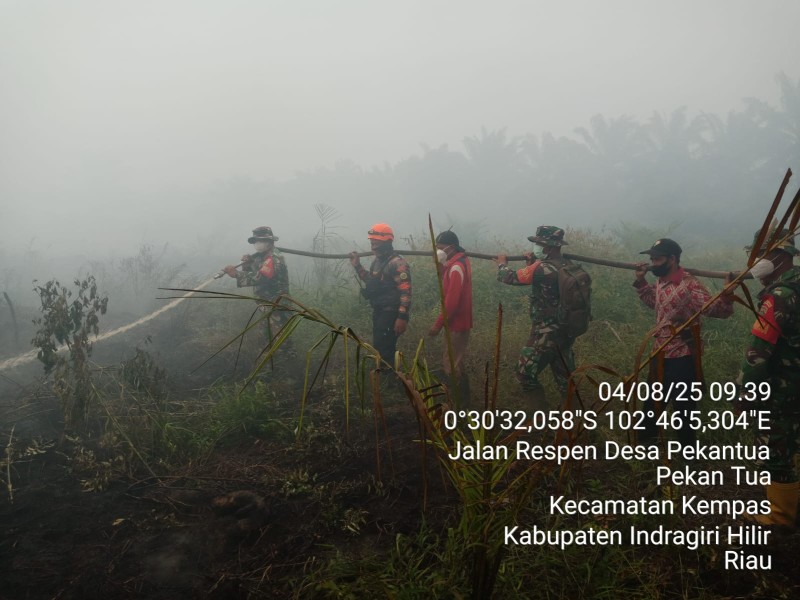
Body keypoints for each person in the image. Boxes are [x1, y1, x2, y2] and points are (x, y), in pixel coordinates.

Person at [633, 238, 733, 446]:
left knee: (684, 411)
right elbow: (655, 305)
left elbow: (719, 311)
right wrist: (642, 282)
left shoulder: (690, 285)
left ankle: (689, 460)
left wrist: (728, 293)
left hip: (683, 356)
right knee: (652, 405)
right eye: (651, 259)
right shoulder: (660, 281)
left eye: (657, 259)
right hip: (659, 352)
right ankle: (643, 452)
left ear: (673, 259)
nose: (653, 263)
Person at [738, 228, 800, 526]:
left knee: (776, 444)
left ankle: (782, 514)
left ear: (778, 256)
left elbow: (758, 353)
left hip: (783, 388)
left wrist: (744, 392)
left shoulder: (778, 296)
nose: (756, 262)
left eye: (760, 255)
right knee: (796, 442)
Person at [496, 225, 584, 408]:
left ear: (548, 247)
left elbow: (509, 277)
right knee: (565, 380)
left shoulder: (542, 269)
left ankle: (540, 419)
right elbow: (544, 285)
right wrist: (531, 263)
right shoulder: (566, 265)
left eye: (538, 244)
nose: (536, 247)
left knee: (524, 373)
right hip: (565, 331)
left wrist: (502, 263)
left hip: (545, 332)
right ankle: (578, 424)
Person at [349, 223, 412, 366]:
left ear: (387, 243)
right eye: (372, 243)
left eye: (376, 244)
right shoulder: (377, 262)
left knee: (384, 349)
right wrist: (357, 266)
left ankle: (391, 380)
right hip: (379, 311)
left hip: (391, 313)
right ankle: (386, 379)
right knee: (379, 346)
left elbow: (406, 292)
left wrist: (402, 317)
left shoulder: (398, 263)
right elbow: (373, 283)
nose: (373, 247)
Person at [223, 226, 293, 353]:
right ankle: (269, 370)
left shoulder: (274, 258)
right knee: (266, 343)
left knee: (281, 346)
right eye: (256, 241)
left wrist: (236, 274)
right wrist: (248, 264)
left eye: (261, 240)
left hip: (278, 308)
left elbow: (262, 277)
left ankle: (287, 369)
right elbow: (256, 271)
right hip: (267, 307)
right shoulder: (262, 257)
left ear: (270, 242)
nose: (258, 244)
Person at [428, 230, 473, 401]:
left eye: (440, 248)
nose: (437, 251)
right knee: (457, 362)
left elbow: (451, 303)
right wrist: (440, 264)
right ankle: (465, 401)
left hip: (457, 323)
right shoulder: (460, 261)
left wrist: (437, 325)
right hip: (460, 322)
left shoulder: (456, 267)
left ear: (451, 247)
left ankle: (458, 404)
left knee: (450, 365)